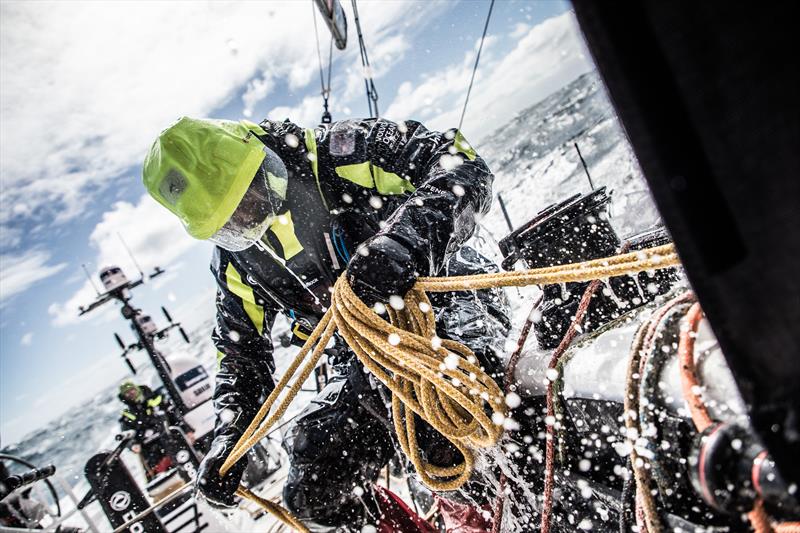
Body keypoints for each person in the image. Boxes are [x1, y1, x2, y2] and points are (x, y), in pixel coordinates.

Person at [142, 116, 510, 529]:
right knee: (312, 490)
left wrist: (406, 241)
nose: (249, 216)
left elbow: (461, 162)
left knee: (446, 410)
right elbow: (241, 354)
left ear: (262, 153)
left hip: (450, 298)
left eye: (249, 193)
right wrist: (230, 437)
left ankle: (504, 505)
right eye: (232, 222)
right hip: (362, 357)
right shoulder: (238, 265)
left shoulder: (340, 153)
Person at [117, 381, 191, 479]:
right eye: (127, 393)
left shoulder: (157, 398)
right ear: (124, 397)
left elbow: (174, 415)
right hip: (151, 453)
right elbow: (127, 436)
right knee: (159, 477)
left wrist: (187, 430)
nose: (131, 394)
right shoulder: (127, 416)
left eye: (132, 390)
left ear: (137, 389)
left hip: (173, 439)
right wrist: (133, 445)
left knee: (186, 463)